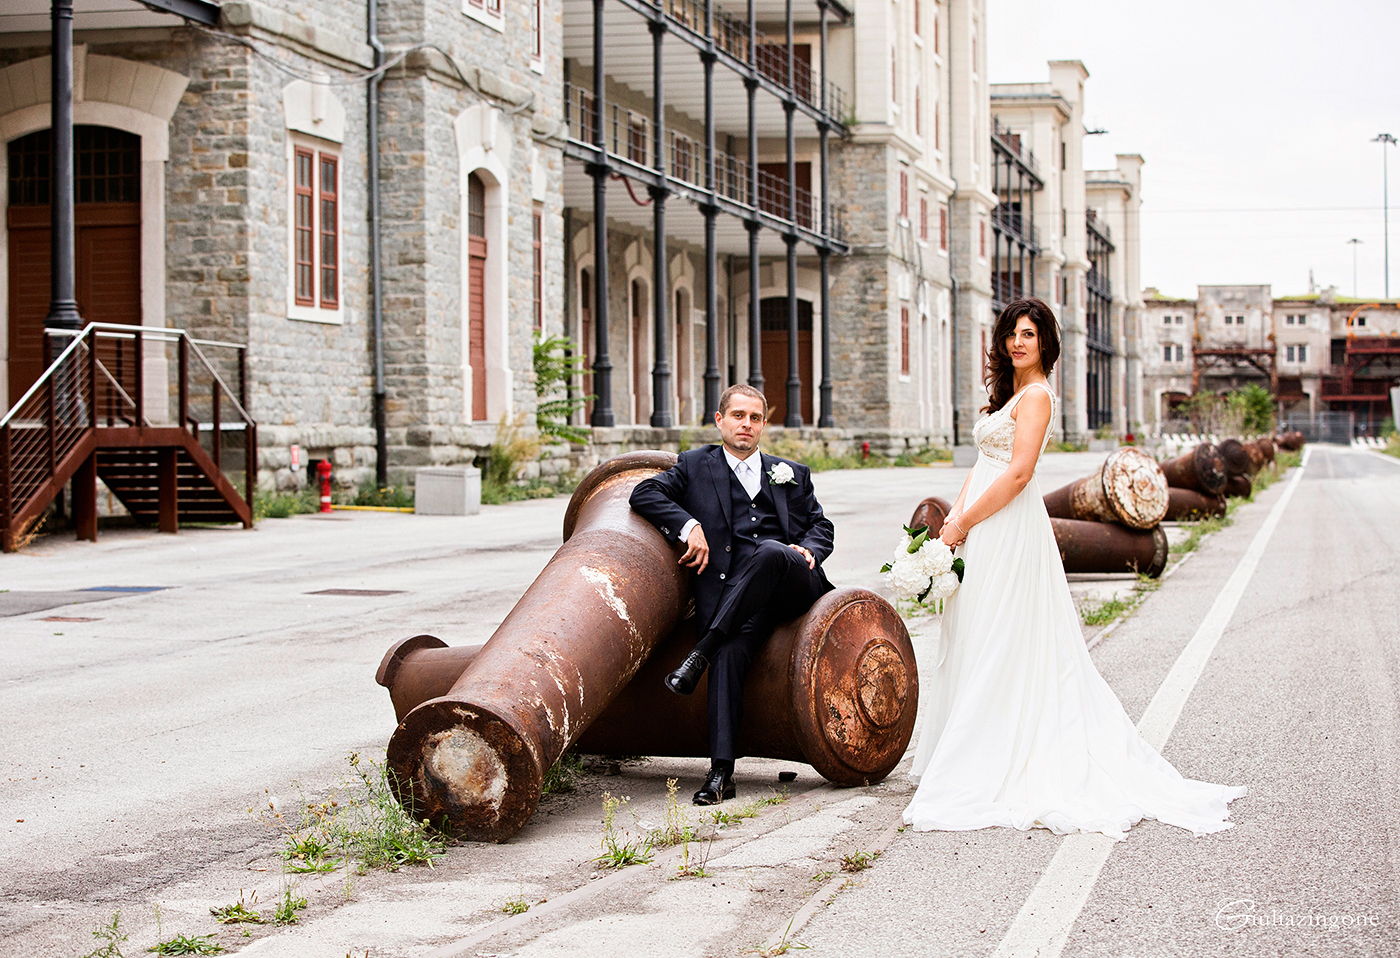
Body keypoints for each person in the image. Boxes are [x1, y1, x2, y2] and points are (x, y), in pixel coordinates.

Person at [903, 297, 1245, 840]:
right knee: (976, 631)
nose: (1018, 342)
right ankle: (976, 746)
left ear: (1045, 345)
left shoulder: (1037, 396)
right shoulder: (1009, 396)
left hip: (1009, 528)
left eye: (1029, 335)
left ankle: (995, 759)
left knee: (1004, 637)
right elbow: (983, 465)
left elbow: (1016, 475)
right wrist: (951, 528)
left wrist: (963, 521)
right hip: (980, 526)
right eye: (1011, 333)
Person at [630, 384, 835, 805]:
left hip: (793, 587)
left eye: (755, 417)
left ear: (764, 425)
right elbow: (644, 493)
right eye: (738, 416)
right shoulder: (693, 465)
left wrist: (809, 551)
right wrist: (690, 527)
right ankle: (721, 772)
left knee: (772, 551)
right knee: (728, 652)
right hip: (737, 602)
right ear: (720, 420)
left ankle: (698, 651)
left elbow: (822, 527)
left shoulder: (791, 472)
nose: (747, 424)